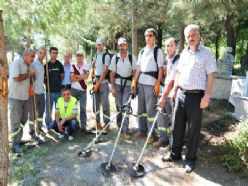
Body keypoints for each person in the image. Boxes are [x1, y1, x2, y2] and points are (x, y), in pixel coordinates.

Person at [163, 24, 217, 173]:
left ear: (199, 36)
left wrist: (207, 96)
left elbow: (211, 75)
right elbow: (179, 73)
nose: (191, 38)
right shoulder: (184, 53)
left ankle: (191, 159)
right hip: (181, 94)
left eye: (193, 35)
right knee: (177, 126)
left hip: (196, 97)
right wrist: (174, 91)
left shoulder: (206, 53)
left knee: (193, 130)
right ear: (186, 38)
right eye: (188, 36)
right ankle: (175, 154)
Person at [132, 28, 164, 144]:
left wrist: (158, 84)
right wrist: (134, 83)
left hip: (151, 84)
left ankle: (151, 134)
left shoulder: (158, 51)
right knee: (141, 109)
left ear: (154, 37)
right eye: (146, 35)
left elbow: (161, 70)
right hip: (141, 83)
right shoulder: (142, 51)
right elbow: (138, 69)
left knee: (150, 111)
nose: (148, 37)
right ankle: (142, 130)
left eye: (150, 35)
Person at [109, 37, 137, 140]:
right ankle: (119, 126)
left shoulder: (131, 57)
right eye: (120, 45)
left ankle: (125, 130)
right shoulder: (115, 58)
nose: (122, 47)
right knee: (118, 107)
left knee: (125, 107)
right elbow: (112, 74)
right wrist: (112, 88)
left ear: (126, 46)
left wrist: (135, 86)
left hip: (128, 85)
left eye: (123, 45)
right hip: (117, 85)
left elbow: (135, 72)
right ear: (118, 46)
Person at [8, 48, 36, 155]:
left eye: (34, 57)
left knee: (23, 120)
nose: (33, 59)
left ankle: (18, 139)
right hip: (15, 98)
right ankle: (15, 145)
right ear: (26, 55)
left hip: (25, 97)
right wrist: (29, 75)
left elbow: (29, 80)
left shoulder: (29, 65)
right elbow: (16, 78)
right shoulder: (16, 63)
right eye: (32, 56)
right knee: (15, 122)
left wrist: (31, 86)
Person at [155, 37, 180, 148]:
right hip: (166, 93)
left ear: (176, 47)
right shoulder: (168, 60)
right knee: (161, 117)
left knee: (174, 120)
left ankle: (172, 143)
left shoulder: (178, 60)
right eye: (167, 46)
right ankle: (163, 139)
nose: (168, 48)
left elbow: (172, 81)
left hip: (173, 95)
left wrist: (163, 97)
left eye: (171, 45)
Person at [91, 38, 111, 133]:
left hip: (103, 83)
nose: (99, 46)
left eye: (101, 44)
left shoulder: (106, 56)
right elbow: (94, 65)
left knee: (105, 105)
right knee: (96, 104)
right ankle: (97, 123)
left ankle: (107, 124)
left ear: (103, 45)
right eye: (98, 44)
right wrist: (92, 71)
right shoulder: (96, 55)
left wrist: (98, 84)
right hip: (96, 81)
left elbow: (104, 72)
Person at [28, 47, 46, 144]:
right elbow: (30, 77)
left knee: (41, 112)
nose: (42, 55)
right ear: (38, 54)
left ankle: (39, 127)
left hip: (41, 92)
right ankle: (31, 130)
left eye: (43, 53)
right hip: (34, 93)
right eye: (40, 53)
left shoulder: (42, 65)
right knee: (32, 113)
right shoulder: (33, 64)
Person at [70, 50, 91, 134]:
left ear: (83, 57)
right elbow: (72, 78)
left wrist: (77, 76)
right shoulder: (73, 66)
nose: (79, 57)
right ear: (76, 57)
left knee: (83, 109)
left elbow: (86, 77)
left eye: (81, 56)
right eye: (78, 55)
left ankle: (83, 127)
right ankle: (74, 125)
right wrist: (82, 76)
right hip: (74, 89)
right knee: (73, 109)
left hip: (83, 90)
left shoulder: (87, 66)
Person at [44, 47, 64, 130]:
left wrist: (57, 80)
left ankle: (58, 124)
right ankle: (48, 125)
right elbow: (44, 79)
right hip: (49, 91)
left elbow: (62, 76)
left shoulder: (59, 64)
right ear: (50, 53)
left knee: (59, 109)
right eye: (53, 53)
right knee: (48, 110)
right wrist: (47, 83)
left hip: (58, 91)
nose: (54, 54)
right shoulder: (46, 65)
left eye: (56, 53)